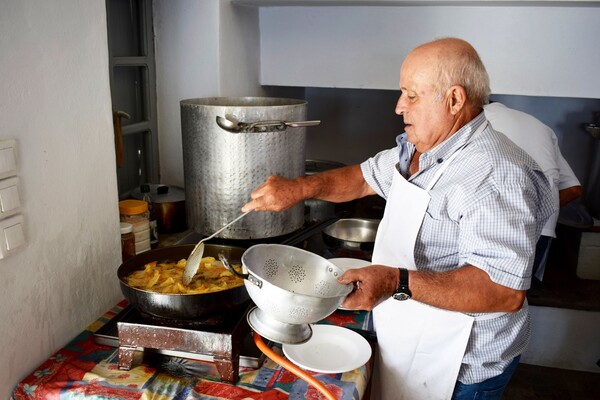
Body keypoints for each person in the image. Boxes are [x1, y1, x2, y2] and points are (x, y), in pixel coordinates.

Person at [242, 38, 556, 400]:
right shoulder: (422, 148)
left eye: (411, 95)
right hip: (415, 331)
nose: (398, 106)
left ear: (454, 100)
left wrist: (394, 281)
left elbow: (503, 291)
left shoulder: (495, 173)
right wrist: (297, 188)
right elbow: (363, 178)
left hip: (461, 364)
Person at [484, 102, 583, 281]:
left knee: (488, 297)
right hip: (543, 228)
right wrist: (539, 210)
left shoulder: (477, 120)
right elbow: (574, 189)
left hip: (500, 225)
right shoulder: (539, 125)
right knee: (518, 296)